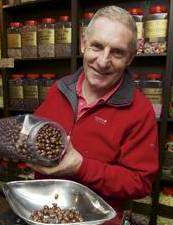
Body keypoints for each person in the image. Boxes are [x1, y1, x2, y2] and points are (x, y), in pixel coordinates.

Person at [29, 6, 159, 214]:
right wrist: (17, 145)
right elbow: (36, 137)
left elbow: (140, 183)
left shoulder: (140, 111)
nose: (103, 61)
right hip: (43, 211)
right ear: (83, 44)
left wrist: (81, 167)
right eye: (97, 46)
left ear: (130, 58)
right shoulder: (59, 88)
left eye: (117, 52)